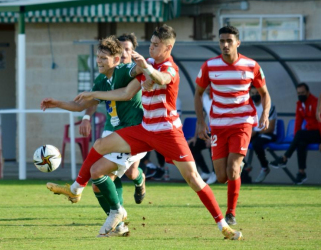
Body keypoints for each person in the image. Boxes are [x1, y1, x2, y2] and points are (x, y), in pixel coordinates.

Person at [74, 24, 242, 240]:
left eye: (156, 45)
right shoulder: (148, 63)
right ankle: (78, 188)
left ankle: (223, 226)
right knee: (100, 145)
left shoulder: (171, 68)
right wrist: (93, 94)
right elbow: (126, 91)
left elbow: (162, 79)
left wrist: (147, 68)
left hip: (168, 133)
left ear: (168, 47)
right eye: (150, 44)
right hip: (144, 130)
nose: (151, 48)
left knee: (193, 179)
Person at [41, 35, 147, 237]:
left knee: (101, 172)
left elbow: (138, 70)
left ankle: (108, 207)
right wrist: (58, 103)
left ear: (116, 60)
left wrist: (143, 63)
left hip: (134, 135)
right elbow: (83, 104)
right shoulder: (101, 79)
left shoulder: (124, 70)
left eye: (104, 58)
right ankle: (118, 224)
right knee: (99, 186)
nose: (99, 60)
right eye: (98, 57)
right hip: (116, 135)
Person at [194, 26, 271, 226]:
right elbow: (198, 93)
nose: (225, 44)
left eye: (229, 40)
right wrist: (201, 122)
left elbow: (264, 93)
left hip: (242, 122)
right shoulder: (210, 66)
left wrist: (264, 113)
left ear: (238, 42)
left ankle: (231, 213)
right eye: (222, 41)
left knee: (233, 170)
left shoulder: (251, 65)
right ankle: (234, 169)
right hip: (218, 125)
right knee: (221, 177)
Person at [76, 33, 147, 205]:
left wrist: (147, 65)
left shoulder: (133, 73)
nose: (123, 53)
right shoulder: (105, 75)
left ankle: (140, 181)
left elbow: (126, 92)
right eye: (120, 49)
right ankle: (118, 211)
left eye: (127, 49)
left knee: (131, 172)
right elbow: (95, 98)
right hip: (112, 128)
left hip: (135, 129)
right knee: (110, 172)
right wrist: (86, 117)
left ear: (133, 52)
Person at [270, 83, 321, 184]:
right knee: (300, 142)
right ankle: (301, 173)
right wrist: (296, 139)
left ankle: (284, 158)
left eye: (302, 93)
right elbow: (298, 122)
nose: (300, 95)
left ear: (308, 92)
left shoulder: (315, 102)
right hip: (309, 133)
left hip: (318, 133)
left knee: (300, 134)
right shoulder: (299, 104)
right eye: (299, 93)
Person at [187, 86, 217, 184]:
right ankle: (206, 172)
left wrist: (212, 137)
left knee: (212, 145)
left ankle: (215, 172)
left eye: (210, 85)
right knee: (192, 145)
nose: (208, 88)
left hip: (220, 132)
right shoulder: (204, 99)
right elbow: (200, 120)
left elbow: (219, 120)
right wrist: (194, 137)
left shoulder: (218, 99)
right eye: (206, 86)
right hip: (211, 132)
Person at [248, 85, 277, 183]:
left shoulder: (268, 105)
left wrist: (255, 132)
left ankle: (265, 167)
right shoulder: (249, 106)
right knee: (235, 141)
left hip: (268, 134)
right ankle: (244, 166)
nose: (254, 95)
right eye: (252, 94)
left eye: (257, 93)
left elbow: (271, 128)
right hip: (255, 134)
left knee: (257, 143)